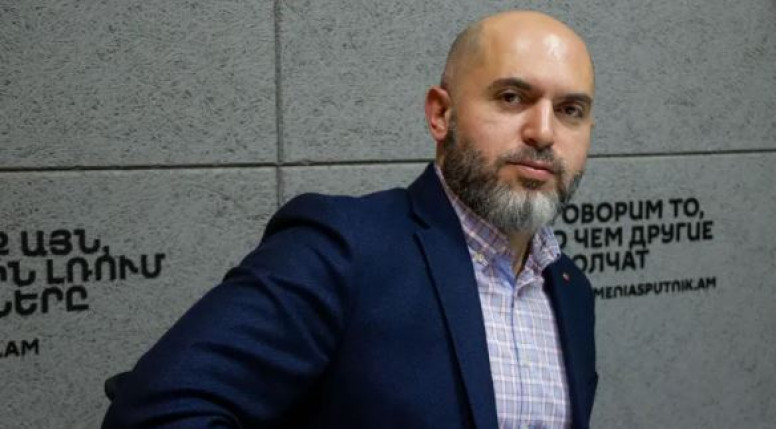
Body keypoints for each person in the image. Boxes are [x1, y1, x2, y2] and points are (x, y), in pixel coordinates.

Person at [103, 10, 597, 429]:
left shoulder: (570, 289)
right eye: (512, 98)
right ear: (440, 114)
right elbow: (156, 415)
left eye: (570, 110)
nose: (543, 132)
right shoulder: (342, 250)